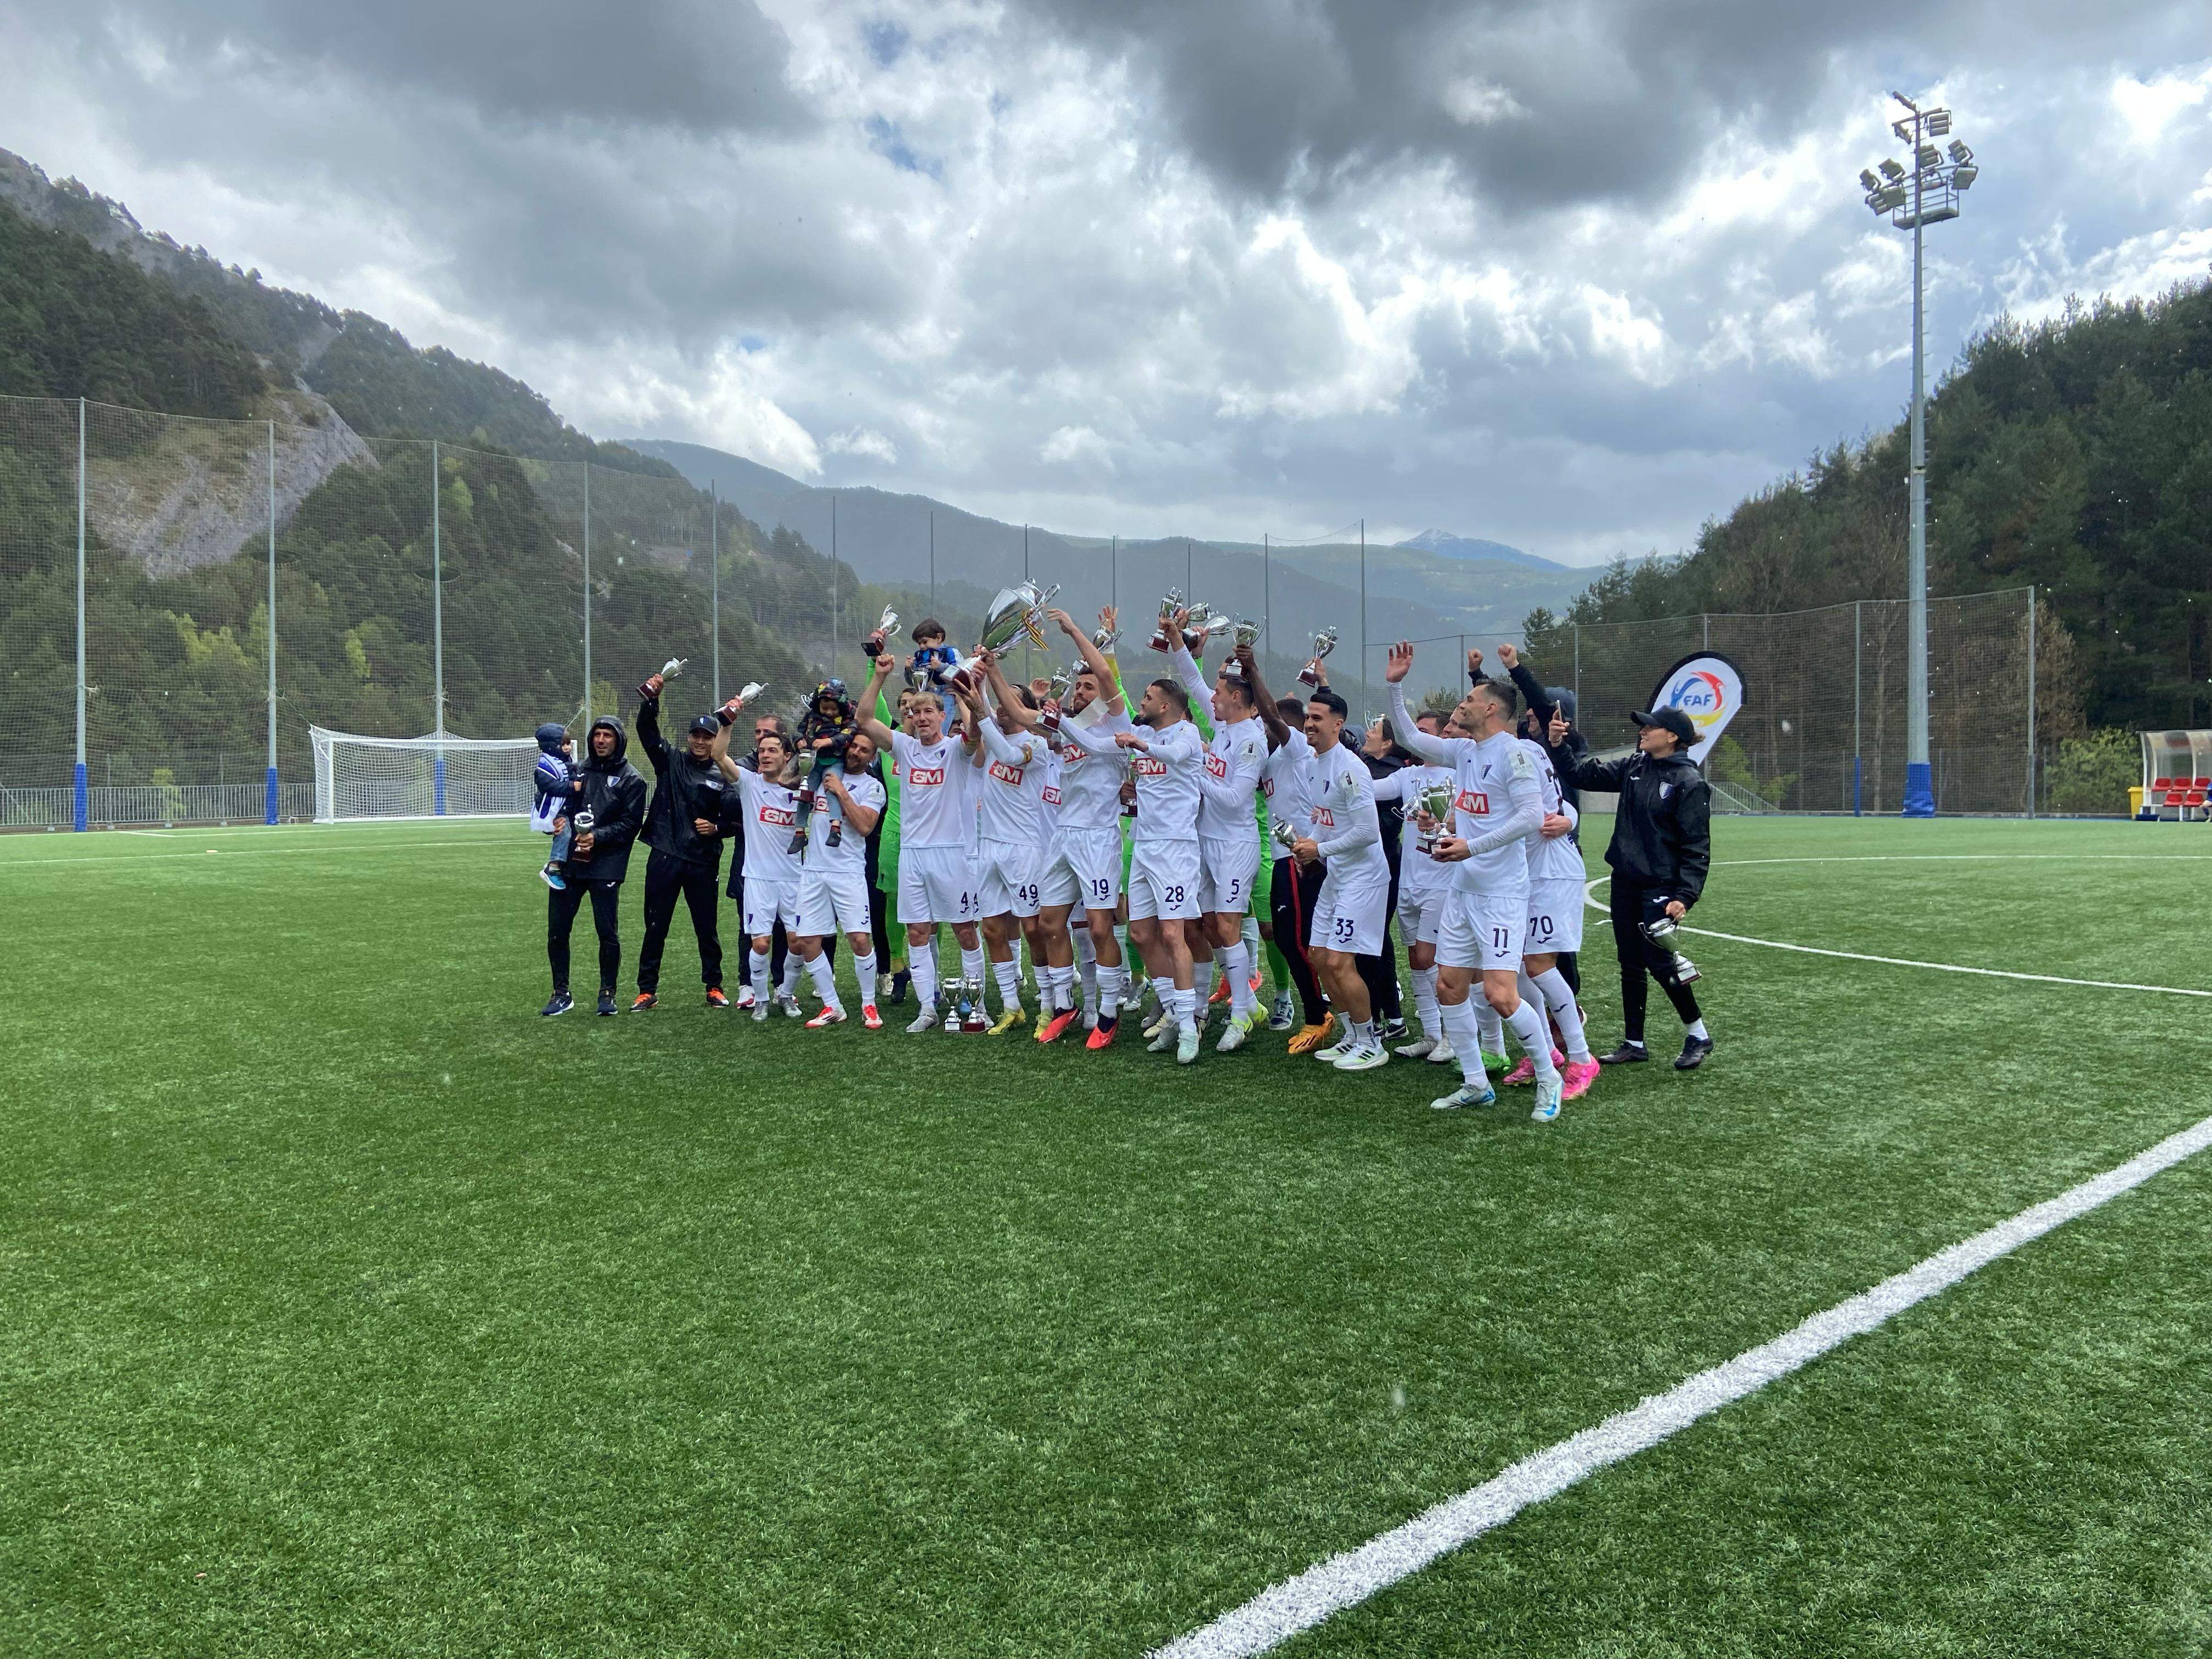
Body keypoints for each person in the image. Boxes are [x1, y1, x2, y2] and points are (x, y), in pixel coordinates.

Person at [1385, 642, 1564, 1121]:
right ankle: (1475, 1083)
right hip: (1462, 890)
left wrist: (1471, 847)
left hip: (1502, 894)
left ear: (1490, 709)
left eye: (1467, 702)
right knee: (1449, 986)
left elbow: (1531, 816)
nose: (1458, 708)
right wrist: (1395, 685)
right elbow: (1408, 737)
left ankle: (1550, 1076)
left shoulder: (1516, 755)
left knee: (1503, 996)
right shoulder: (1464, 751)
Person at [1565, 704, 1716, 1069]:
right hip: (1626, 881)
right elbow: (1580, 774)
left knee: (1661, 963)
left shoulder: (1689, 783)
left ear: (1673, 737)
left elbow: (1697, 847)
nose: (1643, 732)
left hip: (1661, 887)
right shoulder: (1634, 766)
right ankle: (1634, 1042)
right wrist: (1561, 743)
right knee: (1629, 962)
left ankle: (1698, 1034)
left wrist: (1685, 895)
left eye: (1651, 727)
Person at [855, 645, 987, 1033]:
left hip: (952, 854)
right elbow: (864, 718)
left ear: (943, 717)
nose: (922, 717)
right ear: (910, 718)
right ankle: (927, 1008)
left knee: (965, 930)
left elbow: (976, 735)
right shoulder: (904, 747)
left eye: (930, 711)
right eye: (916, 712)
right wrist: (878, 676)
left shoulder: (954, 750)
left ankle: (973, 1007)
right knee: (918, 932)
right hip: (913, 855)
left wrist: (970, 695)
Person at [1165, 614, 1268, 1051]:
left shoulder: (1252, 741)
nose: (1213, 699)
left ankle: (1242, 1014)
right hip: (1205, 840)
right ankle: (1209, 1007)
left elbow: (1233, 799)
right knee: (1206, 924)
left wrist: (1194, 773)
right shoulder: (1224, 724)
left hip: (1235, 844)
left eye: (1220, 694)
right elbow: (1190, 679)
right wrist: (1175, 641)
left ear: (1237, 698)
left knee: (1227, 925)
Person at [1035, 609, 1135, 1046]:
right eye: (1077, 685)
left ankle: (1109, 1014)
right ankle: (1064, 1006)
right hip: (1063, 836)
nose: (1081, 689)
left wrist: (1074, 631)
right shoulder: (1070, 727)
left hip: (1098, 838)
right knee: (1048, 923)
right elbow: (1022, 721)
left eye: (1088, 685)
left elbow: (1106, 676)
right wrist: (987, 680)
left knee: (1099, 928)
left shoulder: (1116, 722)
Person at [1106, 676, 1205, 1062]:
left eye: (1148, 698)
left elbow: (1178, 757)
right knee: (1140, 933)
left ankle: (1188, 1031)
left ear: (1166, 706)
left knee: (1172, 933)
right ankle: (1175, 1015)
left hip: (1176, 849)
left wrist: (1140, 744)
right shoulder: (1145, 737)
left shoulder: (1188, 734)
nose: (1141, 703)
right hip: (1145, 846)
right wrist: (1132, 790)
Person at [1289, 686, 1390, 1070]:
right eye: (1308, 717)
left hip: (1363, 879)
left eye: (1317, 718)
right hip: (1338, 877)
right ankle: (1351, 1035)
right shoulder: (1316, 764)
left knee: (1340, 960)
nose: (1309, 724)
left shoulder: (1351, 769)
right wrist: (1309, 843)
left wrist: (1321, 851)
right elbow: (1323, 819)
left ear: (1338, 723)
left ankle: (1371, 1041)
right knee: (1319, 956)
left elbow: (1367, 831)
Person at [1243, 652, 1332, 1055]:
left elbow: (1272, 716)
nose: (1264, 727)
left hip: (1300, 860)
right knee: (1289, 938)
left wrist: (1254, 671)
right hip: (1283, 857)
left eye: (1269, 723)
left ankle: (1319, 1015)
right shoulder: (1273, 759)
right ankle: (1326, 1007)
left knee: (1297, 940)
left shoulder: (1295, 748)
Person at [630, 671, 736, 1011]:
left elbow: (739, 817)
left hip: (703, 861)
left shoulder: (725, 774)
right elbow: (647, 733)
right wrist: (652, 701)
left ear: (715, 739)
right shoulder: (671, 761)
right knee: (655, 926)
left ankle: (714, 986)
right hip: (665, 854)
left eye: (708, 736)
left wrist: (718, 829)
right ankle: (647, 989)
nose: (701, 742)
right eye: (696, 735)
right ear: (689, 737)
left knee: (706, 927)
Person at [957, 655, 1052, 1035]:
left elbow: (1010, 754)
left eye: (1009, 699)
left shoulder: (1037, 744)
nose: (1001, 706)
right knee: (994, 930)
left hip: (1024, 848)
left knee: (1032, 929)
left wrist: (982, 710)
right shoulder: (989, 739)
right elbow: (976, 740)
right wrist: (975, 683)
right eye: (998, 699)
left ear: (1026, 709)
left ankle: (1049, 1003)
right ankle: (1011, 1006)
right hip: (989, 848)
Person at [1497, 642, 1590, 997]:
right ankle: (1545, 1012)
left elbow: (1568, 801)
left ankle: (1567, 1006)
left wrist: (1516, 667)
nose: (1530, 716)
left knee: (1554, 942)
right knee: (1529, 942)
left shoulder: (1567, 746)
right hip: (1525, 853)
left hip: (1557, 850)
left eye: (1538, 712)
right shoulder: (1523, 744)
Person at [541, 714, 646, 1018]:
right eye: (597, 734)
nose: (601, 740)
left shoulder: (632, 779)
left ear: (619, 740)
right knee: (558, 931)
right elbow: (560, 804)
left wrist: (597, 837)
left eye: (608, 735)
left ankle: (607, 993)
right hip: (570, 865)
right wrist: (554, 823)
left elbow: (631, 824)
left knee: (607, 932)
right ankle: (561, 993)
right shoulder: (576, 771)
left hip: (607, 865)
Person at [1370, 706, 1457, 1062]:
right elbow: (1373, 790)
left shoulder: (1459, 774)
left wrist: (1446, 824)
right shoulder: (1408, 776)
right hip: (1409, 882)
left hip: (1443, 881)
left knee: (1433, 957)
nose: (1415, 737)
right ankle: (1432, 1034)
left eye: (1423, 730)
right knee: (1416, 961)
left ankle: (1455, 1034)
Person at [789, 727, 888, 1029]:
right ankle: (832, 1006)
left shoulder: (873, 787)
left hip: (848, 872)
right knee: (807, 941)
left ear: (873, 757)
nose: (856, 752)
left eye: (864, 750)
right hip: (813, 872)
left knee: (859, 939)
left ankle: (869, 1005)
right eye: (854, 746)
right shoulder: (820, 775)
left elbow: (865, 827)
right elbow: (789, 781)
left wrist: (842, 793)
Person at [713, 713, 808, 1020]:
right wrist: (727, 722)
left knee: (797, 942)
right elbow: (718, 755)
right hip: (758, 879)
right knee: (761, 943)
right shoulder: (750, 785)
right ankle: (762, 999)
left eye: (773, 751)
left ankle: (787, 994)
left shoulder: (803, 791)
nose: (765, 756)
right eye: (762, 751)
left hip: (794, 878)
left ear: (787, 756)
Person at [530, 723, 578, 889]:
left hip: (567, 809)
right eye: (563, 744)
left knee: (570, 834)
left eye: (569, 743)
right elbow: (550, 787)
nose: (568, 747)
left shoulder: (567, 762)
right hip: (556, 810)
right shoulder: (544, 767)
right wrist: (572, 786)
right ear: (552, 747)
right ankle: (553, 867)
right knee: (564, 834)